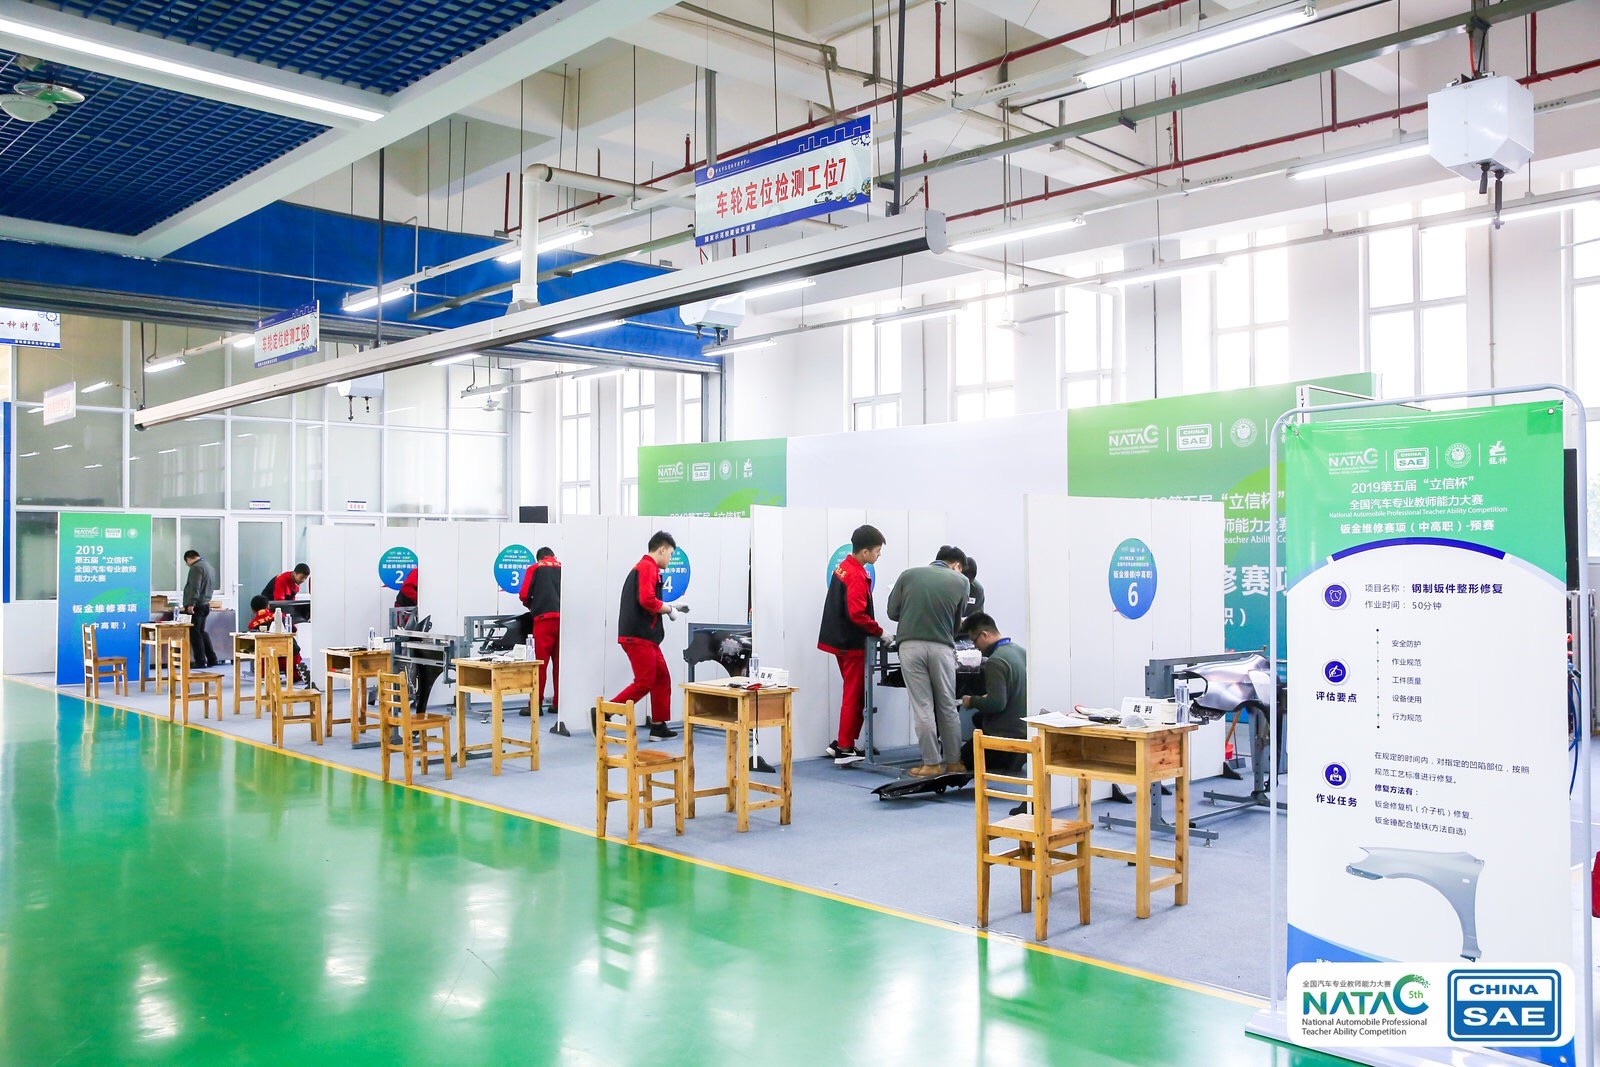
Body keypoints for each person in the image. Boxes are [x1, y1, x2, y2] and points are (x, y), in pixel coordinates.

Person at [885, 545, 969, 777]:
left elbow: (893, 612)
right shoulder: (962, 582)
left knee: (923, 706)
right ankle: (954, 762)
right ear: (957, 565)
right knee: (947, 705)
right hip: (942, 647)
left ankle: (931, 764)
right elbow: (957, 621)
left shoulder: (908, 575)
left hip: (910, 646)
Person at [817, 524, 885, 764]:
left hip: (840, 641)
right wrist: (880, 631)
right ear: (865, 552)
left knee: (853, 693)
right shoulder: (855, 575)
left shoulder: (844, 567)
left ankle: (843, 742)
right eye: (877, 551)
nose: (879, 555)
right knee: (853, 695)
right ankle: (845, 747)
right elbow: (857, 614)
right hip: (851, 643)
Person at [611, 531, 683, 739]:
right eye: (670, 554)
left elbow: (647, 599)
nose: (670, 559)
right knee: (645, 681)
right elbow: (647, 600)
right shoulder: (647, 567)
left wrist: (671, 606)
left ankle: (658, 726)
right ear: (661, 550)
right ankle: (605, 711)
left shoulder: (645, 568)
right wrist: (669, 609)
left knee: (662, 678)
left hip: (645, 636)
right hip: (638, 635)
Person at [960, 612, 1026, 775]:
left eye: (974, 641)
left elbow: (996, 704)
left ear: (985, 635)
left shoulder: (996, 661)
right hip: (1024, 731)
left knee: (960, 761)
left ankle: (1003, 758)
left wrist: (971, 701)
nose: (975, 647)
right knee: (978, 719)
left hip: (1005, 736)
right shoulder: (1020, 651)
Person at [519, 548, 561, 717]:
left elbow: (523, 594)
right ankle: (558, 704)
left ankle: (536, 704)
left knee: (539, 664)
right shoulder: (564, 568)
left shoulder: (535, 568)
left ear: (539, 558)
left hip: (543, 619)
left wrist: (532, 606)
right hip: (563, 620)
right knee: (560, 665)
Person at [246, 594, 312, 688]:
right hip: (289, 655)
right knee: (292, 645)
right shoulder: (279, 615)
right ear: (268, 606)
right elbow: (293, 629)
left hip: (268, 660)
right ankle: (296, 674)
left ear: (252, 609)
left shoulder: (252, 624)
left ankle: (269, 676)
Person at [181, 549, 220, 669]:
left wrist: (191, 603)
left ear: (189, 558)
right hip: (205, 604)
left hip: (197, 605)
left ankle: (200, 661)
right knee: (201, 632)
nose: (188, 565)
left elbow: (195, 587)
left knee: (195, 633)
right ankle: (212, 658)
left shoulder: (196, 568)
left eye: (187, 562)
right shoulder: (208, 566)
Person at [961, 555, 986, 623]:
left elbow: (978, 617)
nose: (966, 584)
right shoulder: (947, 584)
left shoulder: (978, 590)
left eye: (969, 581)